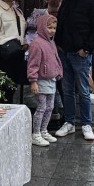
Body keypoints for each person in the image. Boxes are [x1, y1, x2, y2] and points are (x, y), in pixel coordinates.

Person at [55, 0, 94, 141]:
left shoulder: (91, 2)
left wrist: (86, 49)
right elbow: (61, 21)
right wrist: (58, 43)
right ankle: (69, 122)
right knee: (67, 89)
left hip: (80, 53)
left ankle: (86, 123)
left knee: (83, 90)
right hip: (65, 52)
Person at [27, 14, 63, 147]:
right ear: (42, 27)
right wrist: (33, 80)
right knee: (42, 107)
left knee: (50, 107)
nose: (52, 30)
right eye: (49, 27)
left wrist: (58, 72)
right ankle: (35, 133)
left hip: (51, 80)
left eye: (54, 28)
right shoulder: (37, 44)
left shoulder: (51, 42)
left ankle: (43, 130)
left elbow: (56, 59)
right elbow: (33, 64)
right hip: (41, 80)